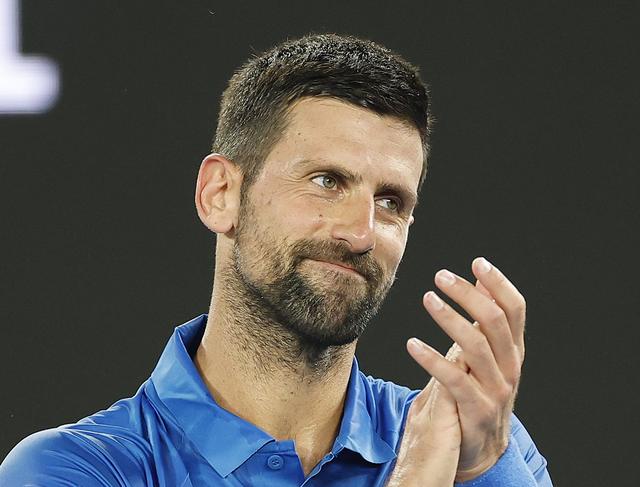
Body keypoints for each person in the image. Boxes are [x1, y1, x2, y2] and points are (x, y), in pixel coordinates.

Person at [0, 33, 552, 486]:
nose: (362, 233)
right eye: (326, 181)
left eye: (391, 202)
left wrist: (481, 471)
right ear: (221, 194)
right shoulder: (74, 471)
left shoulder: (478, 444)